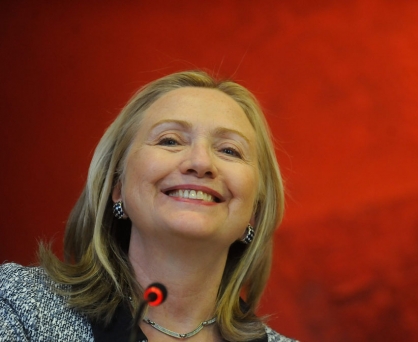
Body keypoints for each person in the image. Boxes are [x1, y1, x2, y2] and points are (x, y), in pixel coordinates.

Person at [0, 70, 297, 342]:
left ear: (255, 212)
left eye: (229, 150)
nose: (201, 162)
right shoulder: (20, 306)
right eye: (170, 141)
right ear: (117, 188)